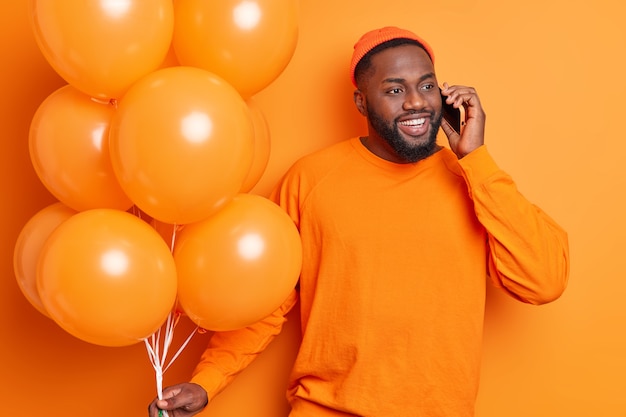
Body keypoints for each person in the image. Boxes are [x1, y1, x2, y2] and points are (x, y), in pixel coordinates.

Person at [148, 26, 569, 417]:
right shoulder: (309, 180)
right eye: (394, 89)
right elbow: (265, 301)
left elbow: (543, 280)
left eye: (426, 85)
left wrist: (476, 159)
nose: (417, 101)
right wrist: (208, 381)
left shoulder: (473, 181)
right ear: (361, 102)